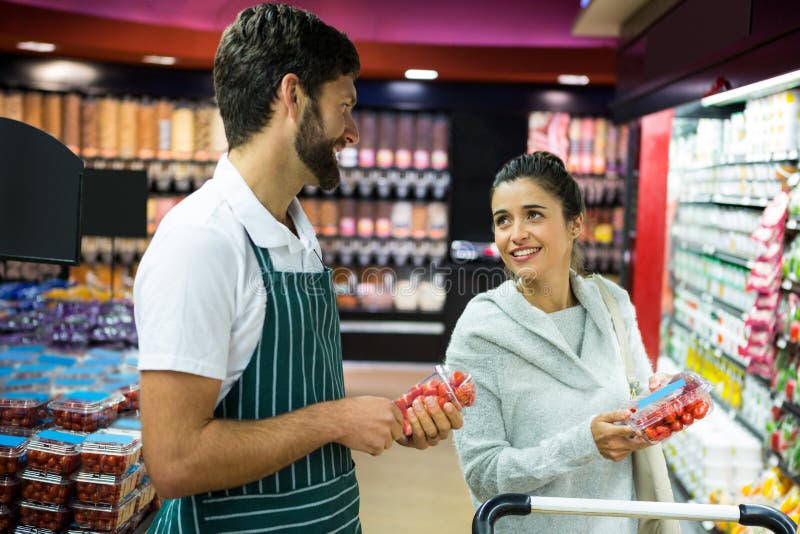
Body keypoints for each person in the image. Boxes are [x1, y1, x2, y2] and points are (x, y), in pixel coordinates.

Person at [133, 4, 462, 532]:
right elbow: (174, 461)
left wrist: (381, 421)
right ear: (293, 95)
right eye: (345, 106)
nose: (352, 131)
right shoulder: (201, 242)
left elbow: (299, 407)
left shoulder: (295, 229)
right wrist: (336, 419)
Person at [446, 151, 668, 533]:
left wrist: (662, 403)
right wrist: (584, 444)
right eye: (503, 220)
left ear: (575, 223)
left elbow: (639, 408)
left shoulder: (613, 305)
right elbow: (483, 474)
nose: (516, 234)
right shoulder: (481, 332)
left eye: (534, 214)